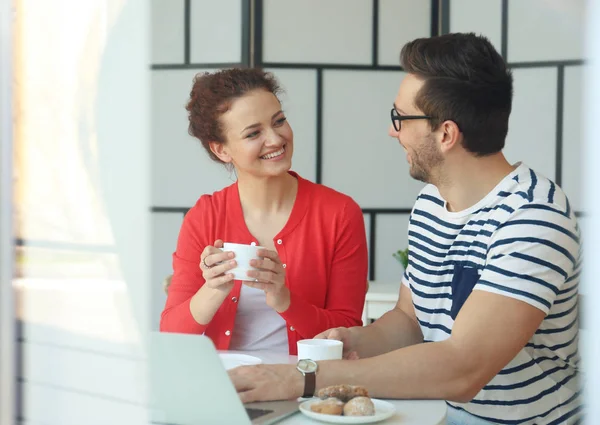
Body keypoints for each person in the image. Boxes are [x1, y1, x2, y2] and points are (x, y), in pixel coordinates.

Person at [228, 33, 582, 424]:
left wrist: (304, 377)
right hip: (434, 415)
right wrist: (357, 339)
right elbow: (411, 321)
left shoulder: (534, 215)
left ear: (446, 134)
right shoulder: (431, 202)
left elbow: (461, 369)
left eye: (400, 118)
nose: (392, 132)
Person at [159, 68, 369, 355]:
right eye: (253, 133)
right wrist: (214, 289)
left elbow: (348, 330)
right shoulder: (205, 216)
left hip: (306, 387)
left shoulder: (339, 213)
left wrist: (284, 299)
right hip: (224, 384)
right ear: (222, 150)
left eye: (279, 121)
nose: (275, 139)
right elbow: (171, 333)